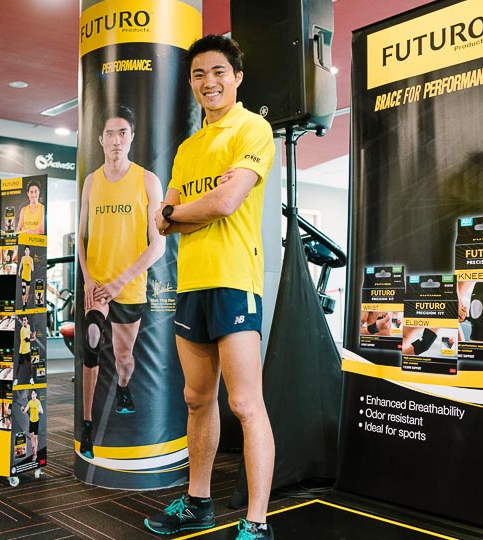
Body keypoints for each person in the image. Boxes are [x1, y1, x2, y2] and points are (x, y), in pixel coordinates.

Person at [145, 35, 276, 540]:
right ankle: (197, 503)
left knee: (245, 404)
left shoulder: (252, 128)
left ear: (237, 77)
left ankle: (257, 523)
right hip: (192, 284)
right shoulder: (188, 148)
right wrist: (181, 212)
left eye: (219, 71)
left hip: (235, 280)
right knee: (197, 399)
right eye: (199, 74)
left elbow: (226, 202)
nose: (209, 82)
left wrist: (180, 212)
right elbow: (163, 222)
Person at [76, 105, 165, 459]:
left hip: (128, 287)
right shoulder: (91, 181)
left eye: (122, 133)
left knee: (123, 357)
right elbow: (81, 237)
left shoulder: (147, 180)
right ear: (100, 139)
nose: (116, 140)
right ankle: (87, 425)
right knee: (91, 342)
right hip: (96, 286)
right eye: (110, 134)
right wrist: (88, 279)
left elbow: (158, 245)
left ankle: (124, 386)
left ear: (131, 138)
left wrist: (118, 283)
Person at [21, 389, 44, 460]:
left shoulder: (38, 402)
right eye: (32, 394)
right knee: (31, 436)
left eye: (34, 394)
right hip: (31, 421)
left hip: (36, 421)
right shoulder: (30, 402)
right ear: (31, 395)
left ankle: (35, 453)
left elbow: (42, 411)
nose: (33, 395)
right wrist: (22, 409)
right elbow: (25, 411)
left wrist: (39, 410)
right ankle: (33, 448)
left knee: (35, 437)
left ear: (36, 395)